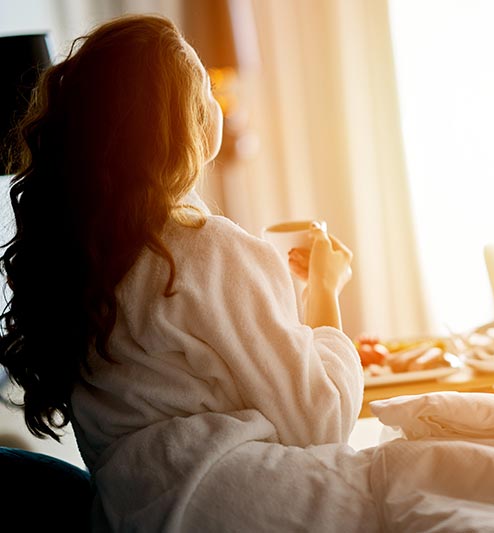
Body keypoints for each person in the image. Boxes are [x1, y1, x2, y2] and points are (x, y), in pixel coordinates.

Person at [0, 14, 370, 530]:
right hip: (246, 505)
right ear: (183, 120)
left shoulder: (77, 266)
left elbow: (186, 380)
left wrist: (283, 302)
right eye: (208, 87)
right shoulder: (210, 249)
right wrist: (327, 295)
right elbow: (321, 422)